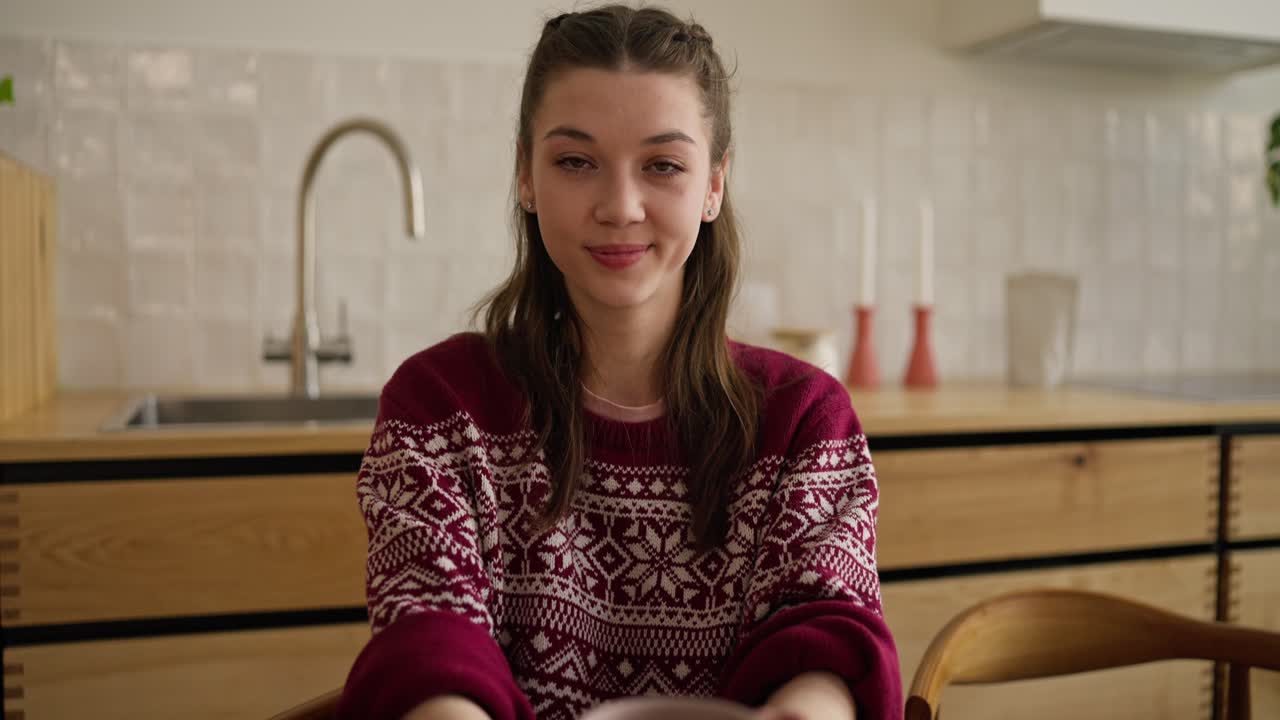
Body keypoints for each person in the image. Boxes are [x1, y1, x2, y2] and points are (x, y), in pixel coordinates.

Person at [337, 5, 901, 719]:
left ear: (714, 185)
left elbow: (823, 631)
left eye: (663, 165)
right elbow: (429, 636)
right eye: (576, 162)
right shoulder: (439, 407)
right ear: (526, 175)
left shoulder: (803, 420)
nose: (621, 206)